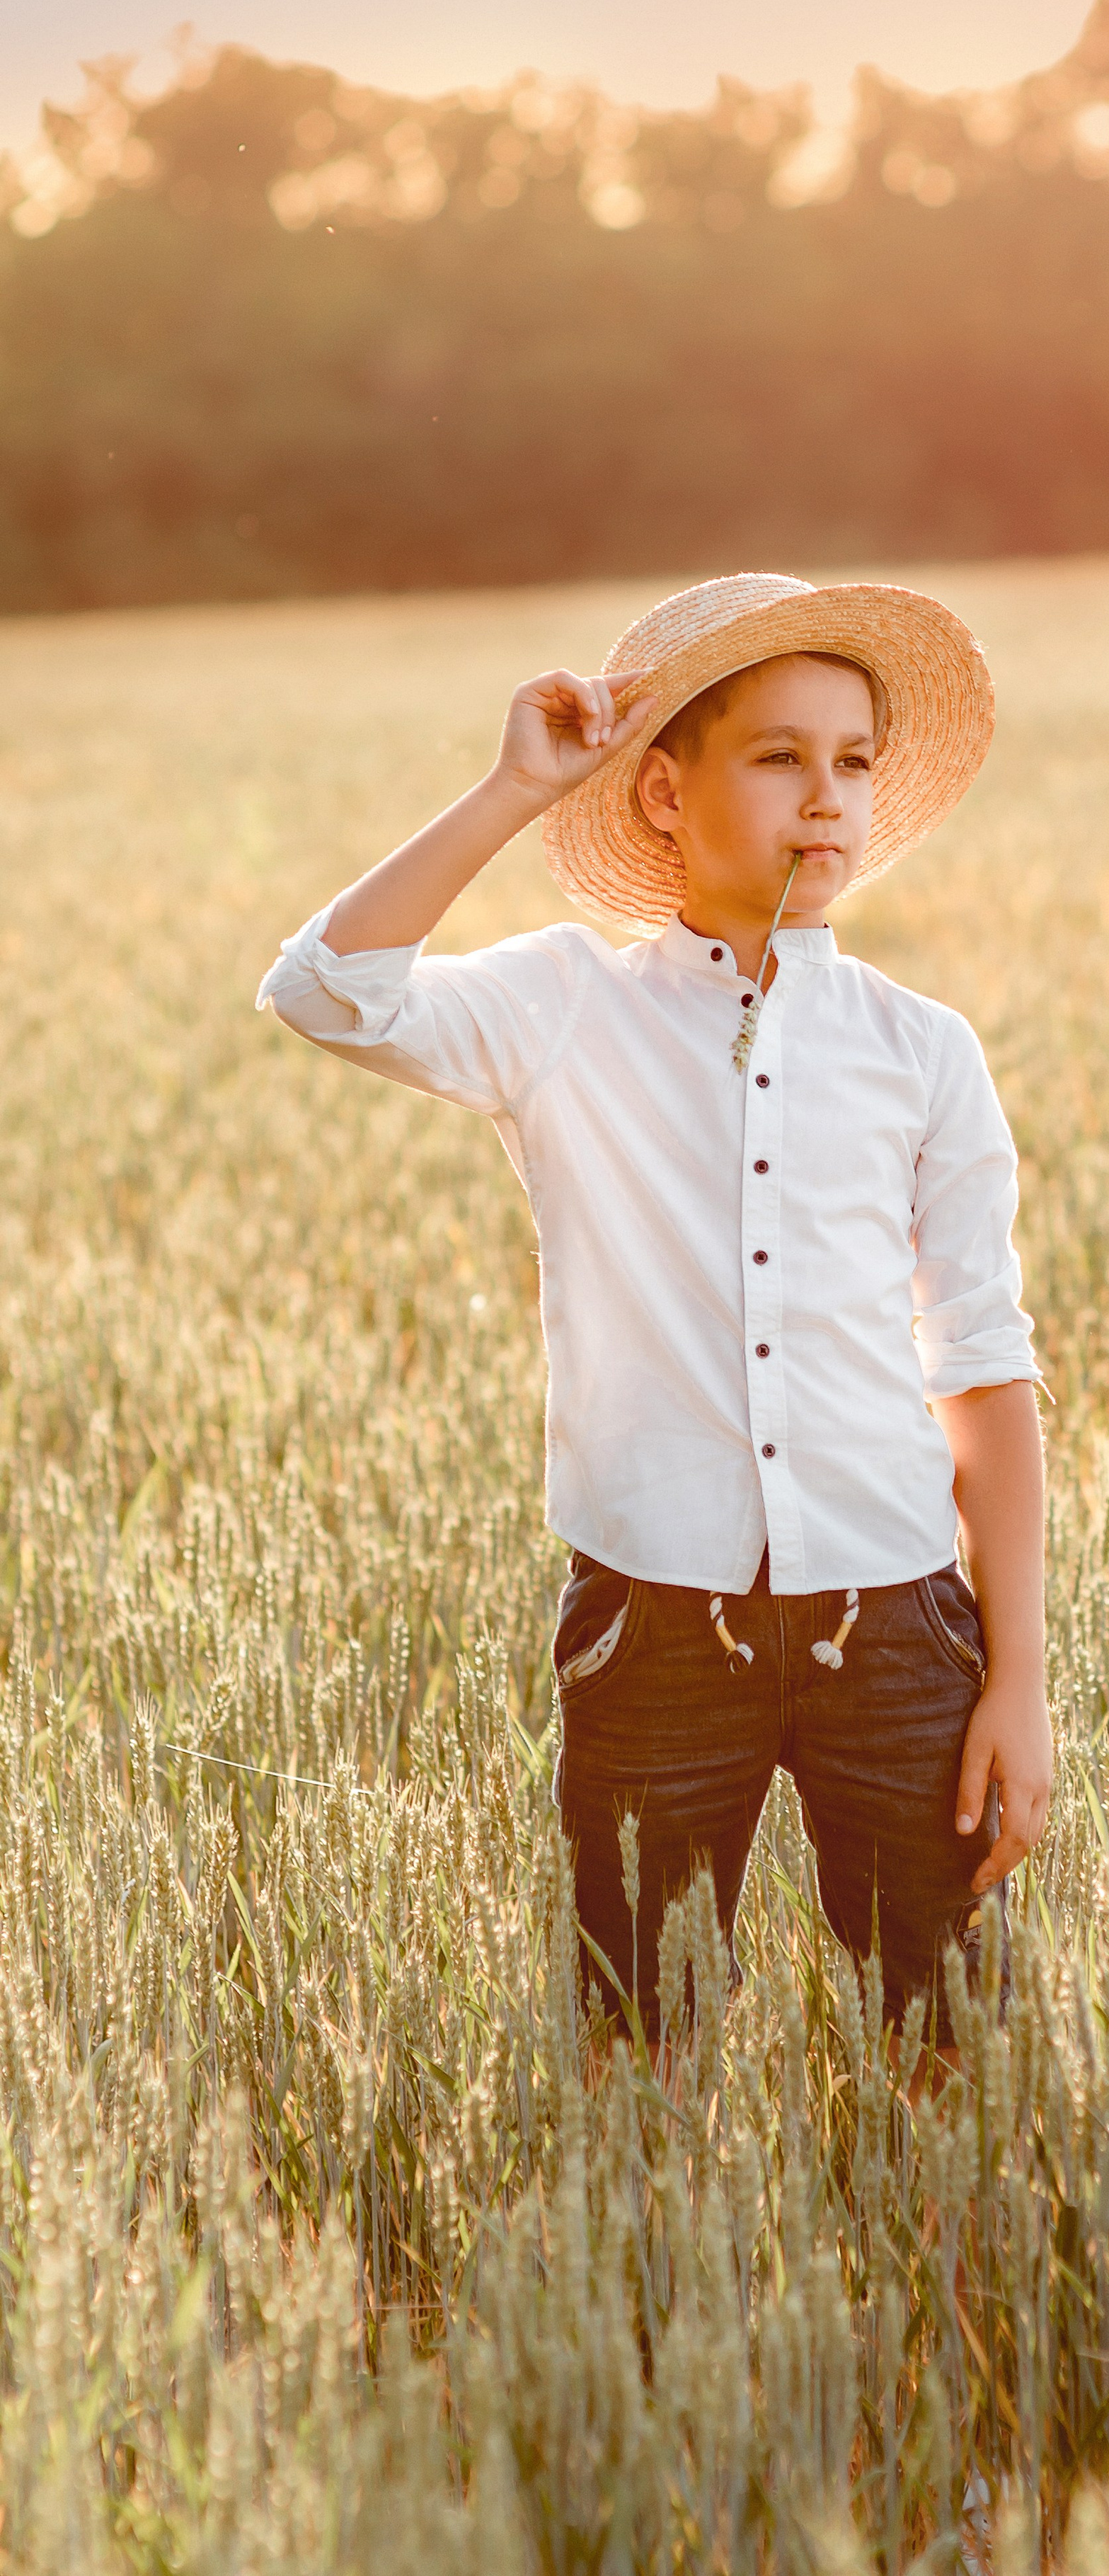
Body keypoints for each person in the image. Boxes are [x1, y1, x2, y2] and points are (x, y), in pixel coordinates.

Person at [258, 569, 1051, 2034]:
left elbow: (984, 1367)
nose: (826, 800)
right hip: (653, 1631)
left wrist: (1018, 1684)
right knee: (638, 2045)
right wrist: (511, 789)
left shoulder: (921, 1051)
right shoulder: (563, 1007)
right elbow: (324, 992)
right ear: (662, 795)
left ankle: (944, 2271)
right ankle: (649, 2273)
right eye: (777, 757)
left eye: (853, 763)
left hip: (896, 1627)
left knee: (956, 2045)